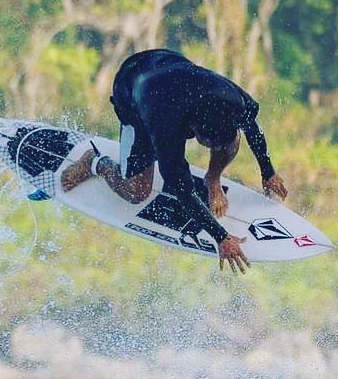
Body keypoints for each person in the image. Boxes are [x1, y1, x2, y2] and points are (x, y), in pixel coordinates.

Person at [61, 48, 288, 275]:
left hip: (167, 62)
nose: (215, 149)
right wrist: (221, 237)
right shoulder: (166, 125)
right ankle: (93, 162)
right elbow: (180, 187)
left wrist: (268, 172)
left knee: (231, 142)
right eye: (211, 145)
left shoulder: (231, 99)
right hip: (132, 89)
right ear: (193, 131)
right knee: (137, 191)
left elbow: (252, 129)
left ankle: (213, 179)